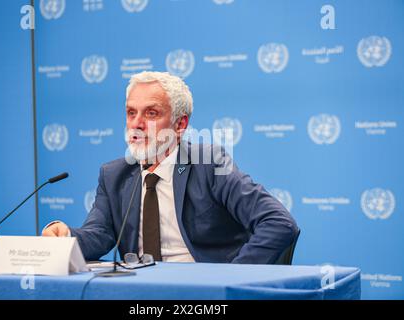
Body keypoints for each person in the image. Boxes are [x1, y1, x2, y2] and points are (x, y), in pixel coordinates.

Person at [42, 71, 299, 264]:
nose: (137, 124)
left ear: (180, 125)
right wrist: (66, 237)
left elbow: (279, 222)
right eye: (131, 113)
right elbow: (99, 234)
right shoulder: (114, 175)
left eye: (151, 114)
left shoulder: (209, 164)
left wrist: (231, 278)